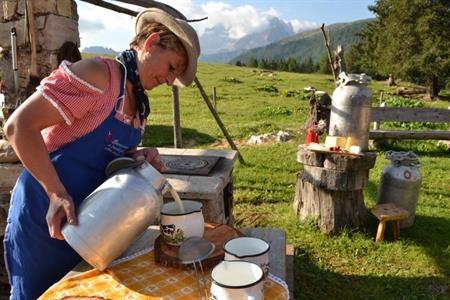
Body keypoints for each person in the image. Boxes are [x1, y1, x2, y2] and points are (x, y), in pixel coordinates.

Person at [2, 8, 200, 299]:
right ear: (151, 42)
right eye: (172, 67)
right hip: (46, 217)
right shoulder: (98, 76)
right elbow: (19, 127)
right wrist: (56, 192)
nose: (170, 81)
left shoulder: (138, 107)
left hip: (92, 225)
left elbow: (107, 161)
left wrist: (137, 160)